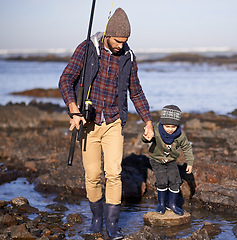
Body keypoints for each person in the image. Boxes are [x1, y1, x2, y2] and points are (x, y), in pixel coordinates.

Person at [58, 8, 154, 239]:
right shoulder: (87, 48)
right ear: (108, 34)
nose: (121, 45)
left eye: (125, 41)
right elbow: (66, 79)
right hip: (88, 122)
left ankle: (112, 226)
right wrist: (73, 108)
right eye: (118, 40)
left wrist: (148, 120)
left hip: (113, 122)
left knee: (114, 174)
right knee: (92, 175)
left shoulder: (128, 57)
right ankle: (96, 219)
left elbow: (136, 90)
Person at [142, 105, 194, 216]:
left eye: (173, 127)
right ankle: (161, 204)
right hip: (156, 160)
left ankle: (172, 204)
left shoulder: (180, 135)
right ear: (162, 124)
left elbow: (186, 147)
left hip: (171, 160)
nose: (170, 129)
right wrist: (146, 136)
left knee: (175, 181)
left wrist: (190, 162)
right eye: (167, 126)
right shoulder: (156, 129)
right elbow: (146, 139)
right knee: (162, 181)